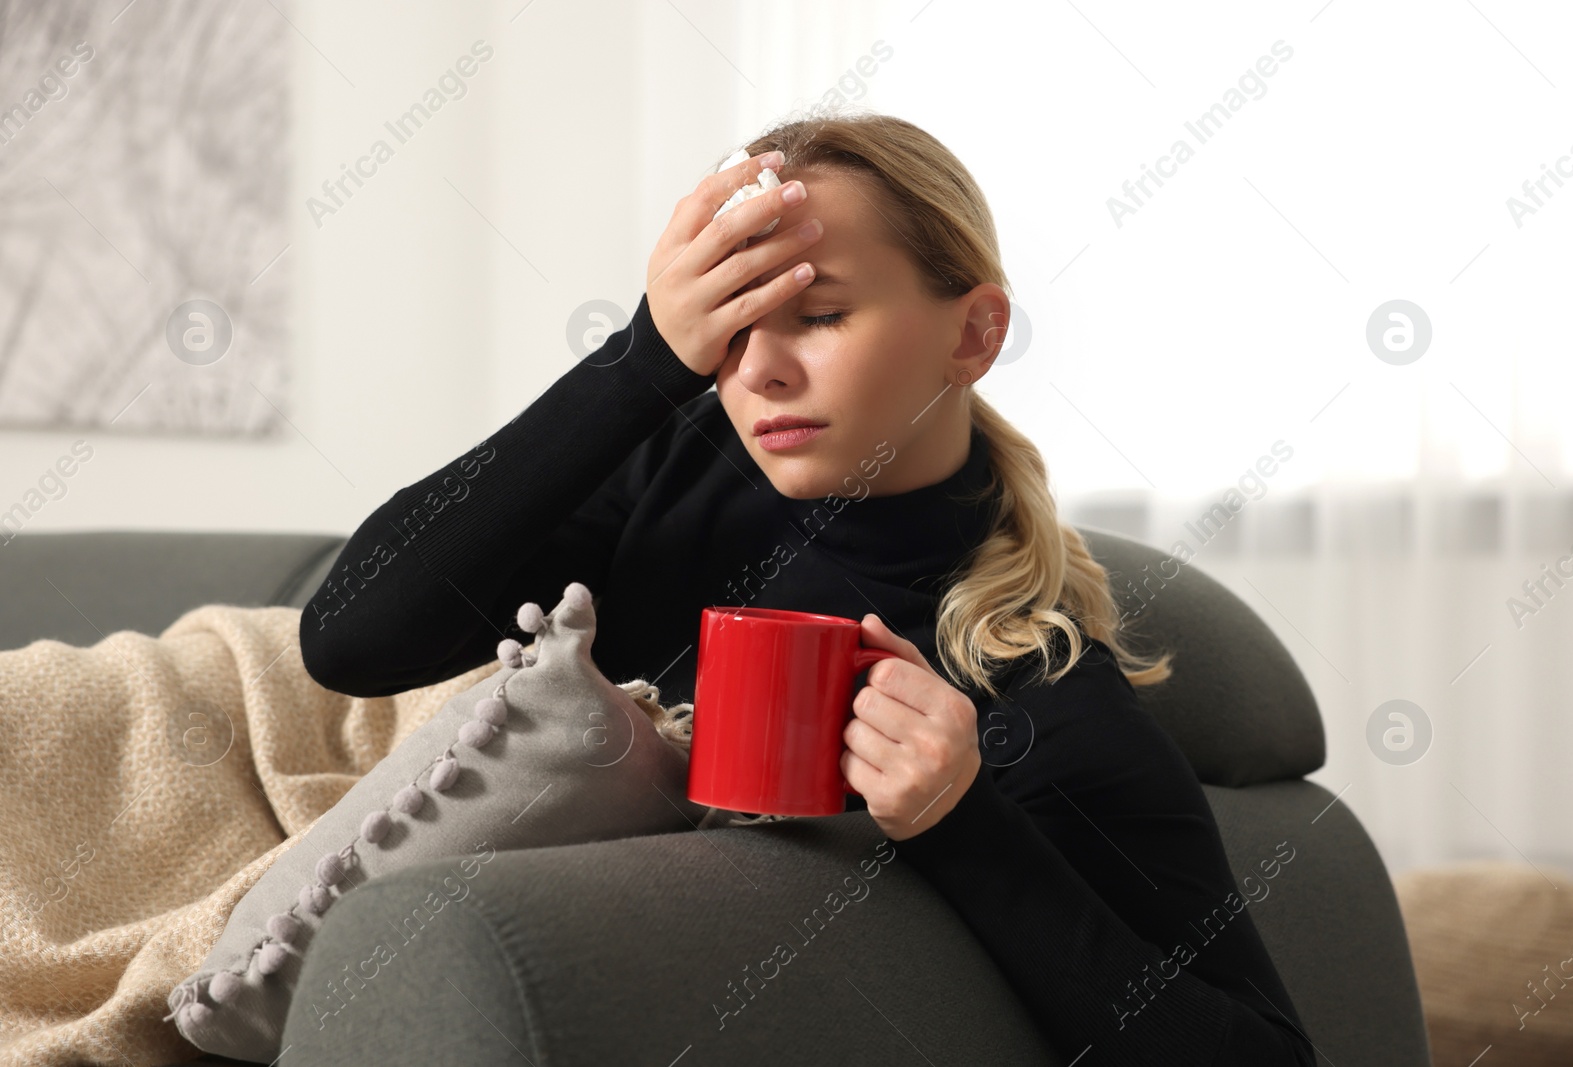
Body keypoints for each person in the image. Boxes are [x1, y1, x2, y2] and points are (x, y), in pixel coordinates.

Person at [298, 112, 1316, 1065]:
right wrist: (645, 358)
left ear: (973, 333)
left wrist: (960, 820)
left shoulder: (1025, 690)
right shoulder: (681, 464)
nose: (761, 373)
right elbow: (351, 640)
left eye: (820, 314)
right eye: (733, 328)